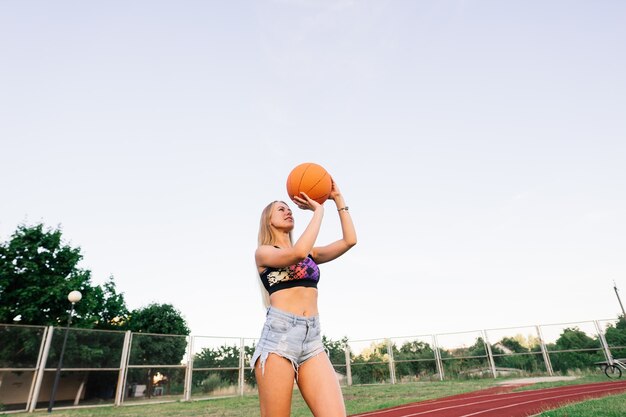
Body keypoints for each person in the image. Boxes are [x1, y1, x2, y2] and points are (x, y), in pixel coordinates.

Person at [251, 180, 357, 417]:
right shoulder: (264, 253)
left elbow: (350, 240)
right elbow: (296, 253)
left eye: (289, 209)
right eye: (281, 209)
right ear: (268, 220)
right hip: (279, 340)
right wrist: (318, 211)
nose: (288, 211)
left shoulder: (311, 253)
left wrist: (337, 198)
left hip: (312, 339)